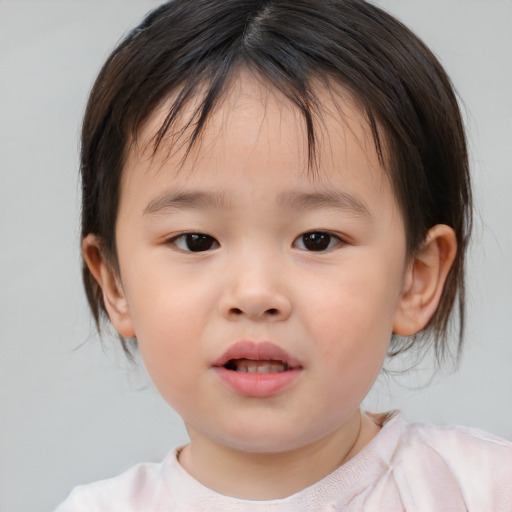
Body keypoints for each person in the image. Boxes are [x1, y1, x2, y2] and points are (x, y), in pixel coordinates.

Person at [55, 0, 511, 510]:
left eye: (317, 239)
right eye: (196, 240)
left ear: (416, 277)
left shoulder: (486, 490)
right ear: (114, 282)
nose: (254, 294)